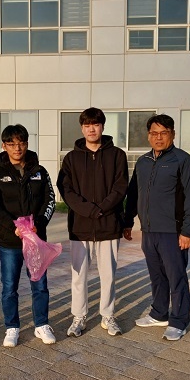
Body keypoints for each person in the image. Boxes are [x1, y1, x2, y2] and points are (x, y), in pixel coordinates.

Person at [123, 114, 190, 341]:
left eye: (163, 133)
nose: (158, 138)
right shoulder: (143, 162)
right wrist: (128, 221)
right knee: (157, 275)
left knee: (176, 277)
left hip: (172, 231)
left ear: (172, 134)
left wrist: (188, 231)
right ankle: (159, 313)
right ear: (148, 136)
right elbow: (134, 193)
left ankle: (179, 321)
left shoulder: (183, 161)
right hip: (149, 230)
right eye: (154, 133)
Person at [57, 107, 128, 337]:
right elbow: (66, 190)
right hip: (80, 227)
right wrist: (89, 210)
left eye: (95, 124)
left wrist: (102, 209)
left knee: (108, 275)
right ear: (81, 128)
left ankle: (108, 315)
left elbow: (120, 187)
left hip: (109, 225)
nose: (91, 129)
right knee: (79, 276)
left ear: (102, 126)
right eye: (87, 125)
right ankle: (79, 316)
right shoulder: (71, 158)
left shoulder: (117, 155)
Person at [0, 124, 57, 347]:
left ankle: (41, 324)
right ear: (4, 146)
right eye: (12, 144)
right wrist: (13, 227)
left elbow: (50, 199)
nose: (17, 148)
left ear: (27, 144)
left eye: (22, 143)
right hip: (10, 241)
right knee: (10, 287)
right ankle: (12, 327)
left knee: (40, 284)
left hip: (36, 240)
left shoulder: (40, 171)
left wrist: (39, 223)